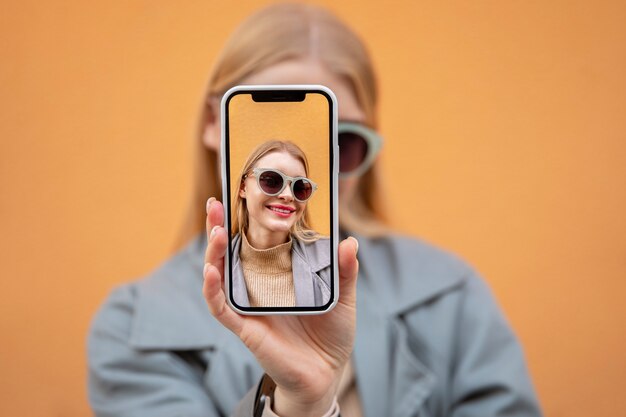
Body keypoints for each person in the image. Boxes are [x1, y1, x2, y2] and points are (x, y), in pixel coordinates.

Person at [88, 3, 543, 417]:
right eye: (271, 139)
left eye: (342, 143)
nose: (306, 181)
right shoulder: (135, 330)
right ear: (214, 125)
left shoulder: (451, 297)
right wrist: (300, 407)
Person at [230, 140, 331, 308]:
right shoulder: (213, 264)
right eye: (271, 181)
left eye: (299, 187)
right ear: (243, 187)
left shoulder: (334, 259)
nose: (288, 195)